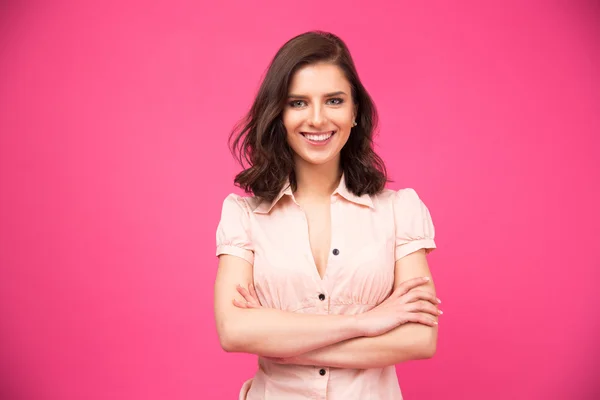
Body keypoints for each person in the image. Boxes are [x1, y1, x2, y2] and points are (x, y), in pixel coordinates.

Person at [213, 30, 441, 400]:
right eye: (298, 103)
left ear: (355, 113)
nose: (317, 119)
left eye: (334, 101)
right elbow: (234, 331)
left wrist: (280, 340)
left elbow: (419, 337)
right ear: (279, 115)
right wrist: (366, 323)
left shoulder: (400, 211)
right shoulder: (243, 215)